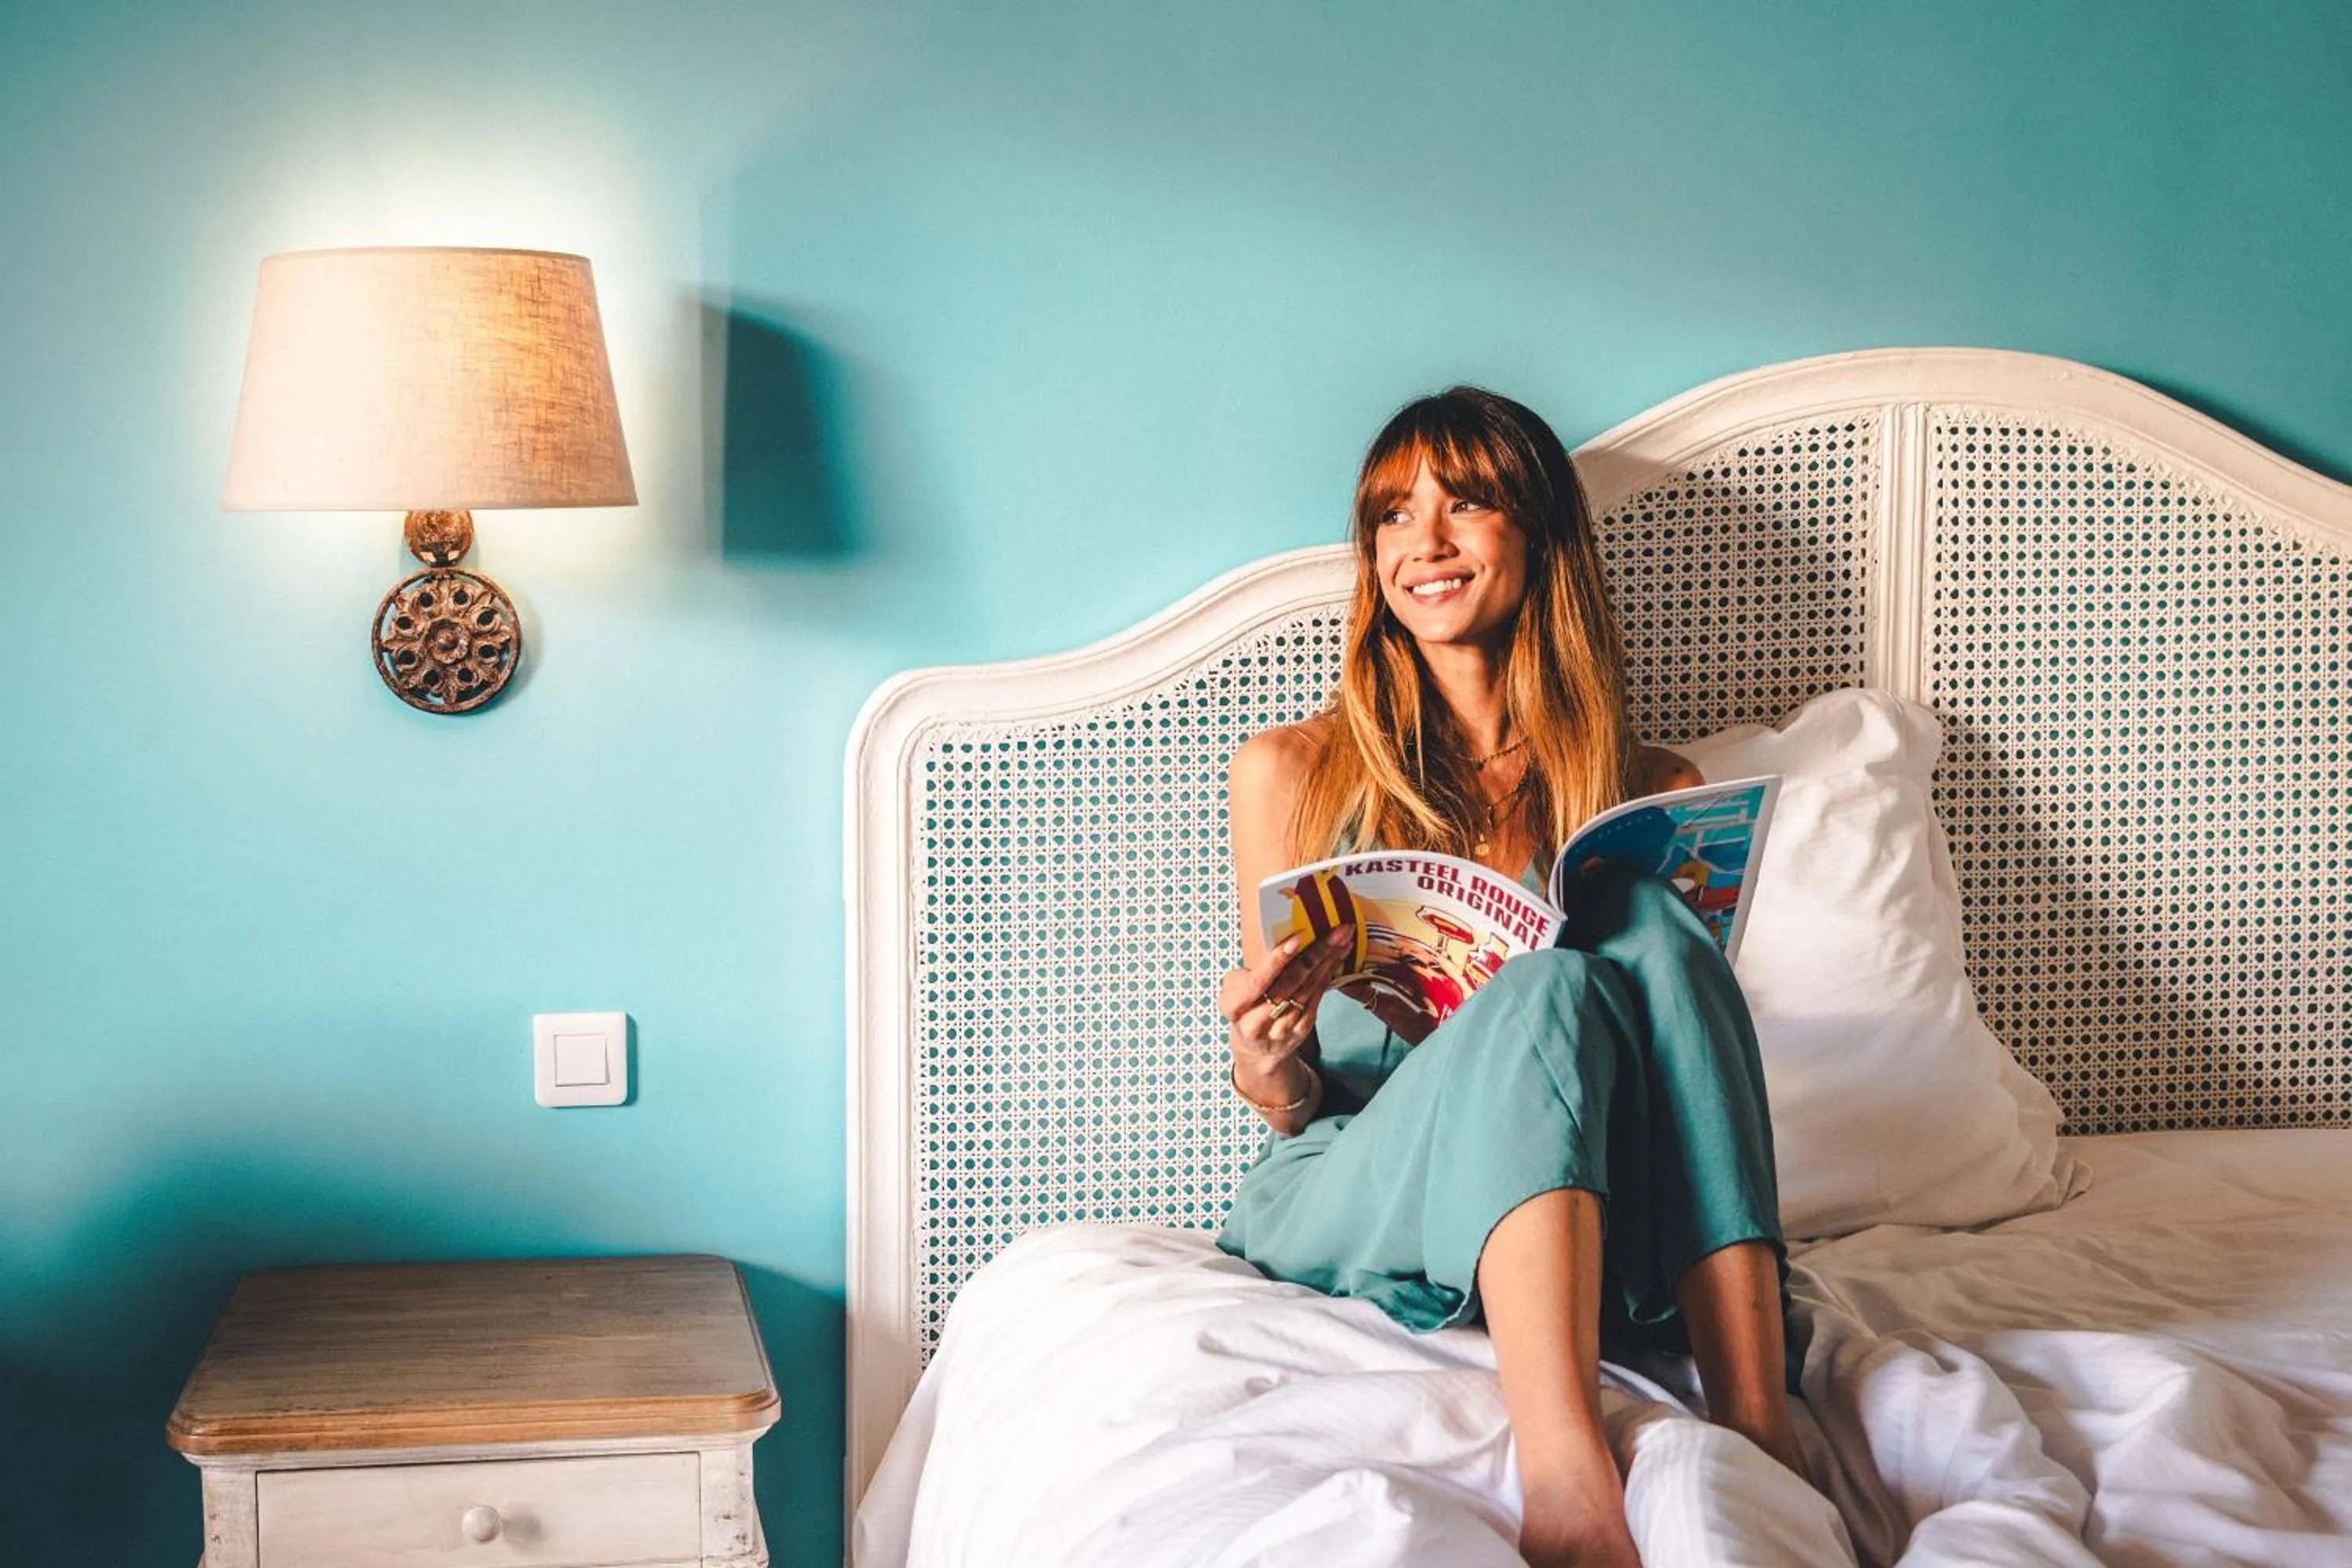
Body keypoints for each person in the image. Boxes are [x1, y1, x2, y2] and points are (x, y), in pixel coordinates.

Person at [1213, 387, 1801, 1568]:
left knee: (1627, 920)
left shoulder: (1643, 778)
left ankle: (1758, 1423)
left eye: (1466, 503)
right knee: (1540, 991)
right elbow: (1294, 1096)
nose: (1421, 544)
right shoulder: (1292, 770)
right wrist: (1267, 1066)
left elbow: (1672, 1048)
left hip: (1584, 1192)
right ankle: (1567, 1476)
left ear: (1539, 536)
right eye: (1391, 516)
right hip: (1357, 1171)